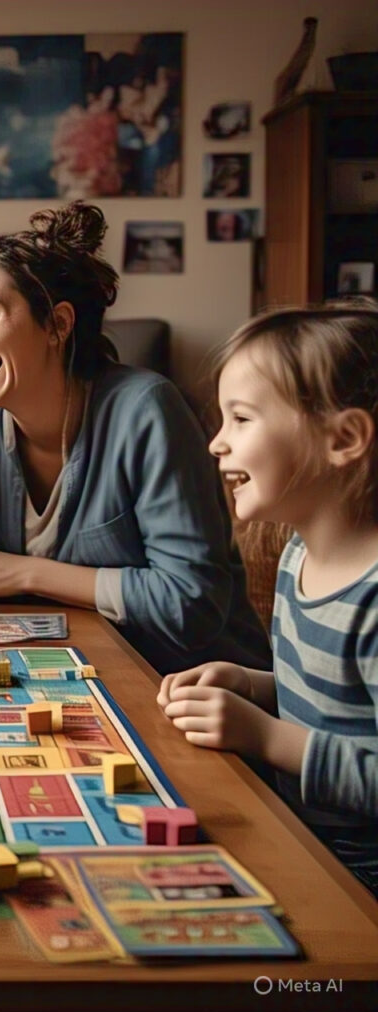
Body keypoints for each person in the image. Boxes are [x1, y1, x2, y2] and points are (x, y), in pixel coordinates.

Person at [0, 201, 271, 675]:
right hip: (51, 673)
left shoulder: (146, 409)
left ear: (58, 324)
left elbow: (192, 604)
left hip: (191, 687)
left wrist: (28, 573)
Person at [158, 305, 378, 897]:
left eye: (242, 419)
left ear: (344, 439)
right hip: (299, 838)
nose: (215, 443)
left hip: (359, 884)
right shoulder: (296, 557)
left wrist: (264, 736)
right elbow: (340, 708)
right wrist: (256, 685)